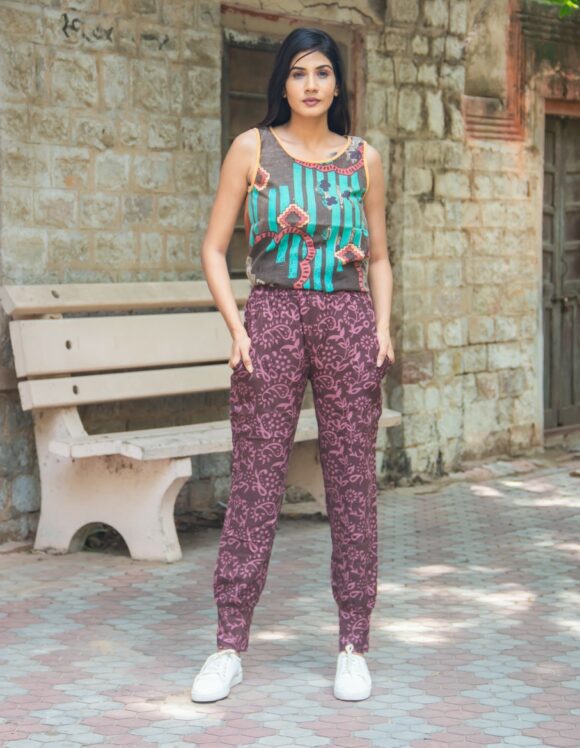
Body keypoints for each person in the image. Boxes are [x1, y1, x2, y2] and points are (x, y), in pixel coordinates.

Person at [191, 26, 394, 703]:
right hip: (272, 317)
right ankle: (228, 645)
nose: (311, 84)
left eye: (322, 72)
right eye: (299, 72)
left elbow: (381, 257)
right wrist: (236, 328)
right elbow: (214, 248)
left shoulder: (364, 158)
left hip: (348, 319)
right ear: (282, 81)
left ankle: (353, 644)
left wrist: (383, 327)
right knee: (257, 476)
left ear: (337, 84)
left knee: (352, 479)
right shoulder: (252, 148)